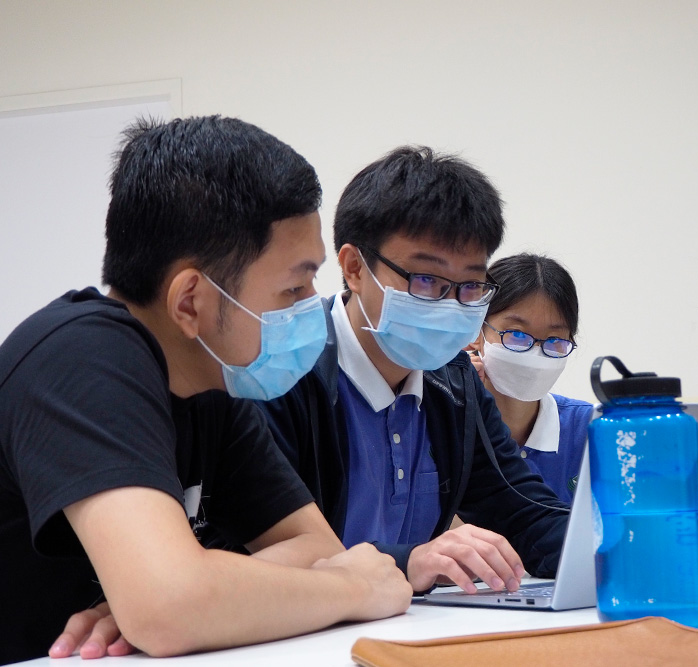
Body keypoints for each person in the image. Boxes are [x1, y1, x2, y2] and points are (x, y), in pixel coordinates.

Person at [0, 116, 410, 665]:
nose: (312, 305)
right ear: (190, 301)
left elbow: (316, 548)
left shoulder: (211, 377)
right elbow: (170, 607)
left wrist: (196, 593)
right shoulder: (79, 359)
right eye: (294, 286)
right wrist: (356, 588)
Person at [261, 146, 569, 597]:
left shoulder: (454, 381)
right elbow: (264, 548)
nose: (450, 304)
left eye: (471, 286)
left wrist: (619, 546)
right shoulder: (282, 373)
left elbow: (522, 510)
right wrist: (410, 562)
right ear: (354, 268)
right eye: (426, 280)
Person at [465, 253, 593, 503]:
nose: (535, 351)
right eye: (516, 334)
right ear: (475, 332)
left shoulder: (589, 429)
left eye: (555, 340)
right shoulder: (440, 422)